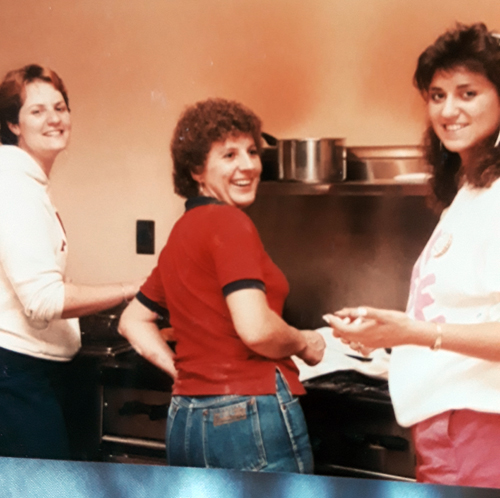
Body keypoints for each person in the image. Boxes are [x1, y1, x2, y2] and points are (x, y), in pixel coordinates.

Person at [323, 23, 500, 488]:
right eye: (437, 95)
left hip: (480, 429)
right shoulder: (470, 193)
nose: (449, 109)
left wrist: (413, 333)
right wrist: (388, 337)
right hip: (447, 426)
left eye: (468, 93)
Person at [118, 98, 326, 473]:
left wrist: (180, 372)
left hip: (185, 418)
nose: (248, 165)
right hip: (249, 412)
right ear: (197, 169)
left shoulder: (182, 233)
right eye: (229, 155)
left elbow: (132, 320)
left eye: (251, 151)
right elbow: (257, 330)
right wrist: (304, 341)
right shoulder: (230, 223)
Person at [0, 64, 142, 459]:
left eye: (60, 107)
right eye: (37, 111)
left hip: (27, 373)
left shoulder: (26, 184)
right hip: (17, 376)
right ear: (13, 124)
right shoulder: (13, 188)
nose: (54, 119)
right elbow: (43, 299)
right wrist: (131, 289)